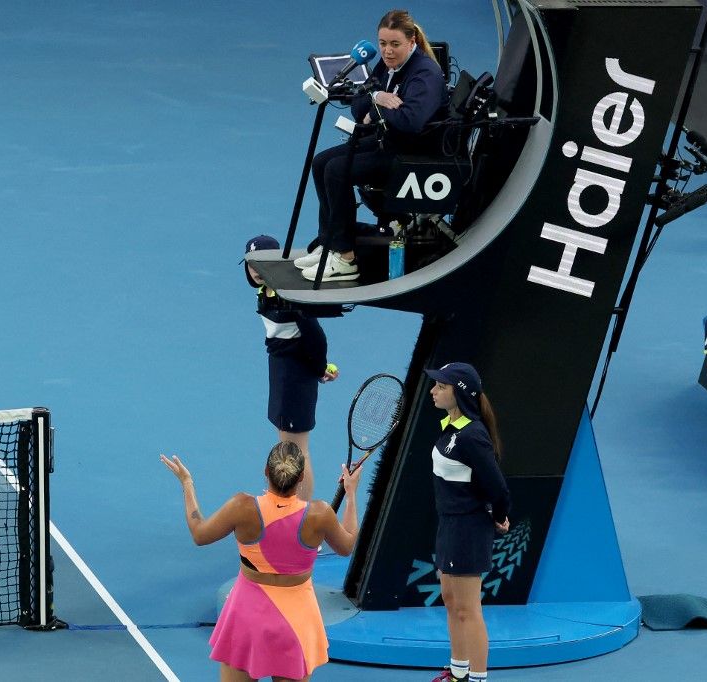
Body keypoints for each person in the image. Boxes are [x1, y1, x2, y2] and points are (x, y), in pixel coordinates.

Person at [160, 442, 362, 681]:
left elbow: (199, 533)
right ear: (302, 478)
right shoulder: (320, 514)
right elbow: (347, 545)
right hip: (295, 624)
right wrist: (351, 494)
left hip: (247, 618)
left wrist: (187, 483)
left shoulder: (241, 507)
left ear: (266, 472)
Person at [295, 9, 450, 282]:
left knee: (336, 170)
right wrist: (379, 96)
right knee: (321, 162)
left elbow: (410, 122)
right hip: (386, 140)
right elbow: (359, 105)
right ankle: (330, 242)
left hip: (410, 154)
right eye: (383, 44)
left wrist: (377, 106)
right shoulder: (387, 65)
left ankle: (345, 257)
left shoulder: (425, 74)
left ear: (411, 42)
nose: (387, 51)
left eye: (395, 44)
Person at [423, 362, 511, 682]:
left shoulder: (472, 436)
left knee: (468, 610)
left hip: (467, 530)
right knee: (450, 601)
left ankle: (477, 678)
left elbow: (497, 487)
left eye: (440, 386)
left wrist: (499, 517)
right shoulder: (452, 428)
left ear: (458, 393)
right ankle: (458, 672)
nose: (433, 391)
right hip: (449, 525)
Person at [245, 234, 339, 500]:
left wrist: (319, 368)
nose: (256, 270)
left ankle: (302, 520)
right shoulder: (270, 290)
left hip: (293, 377)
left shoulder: (291, 296)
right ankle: (293, 513)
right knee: (287, 447)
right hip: (283, 371)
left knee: (296, 451)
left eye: (262, 264)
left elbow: (316, 335)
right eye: (252, 264)